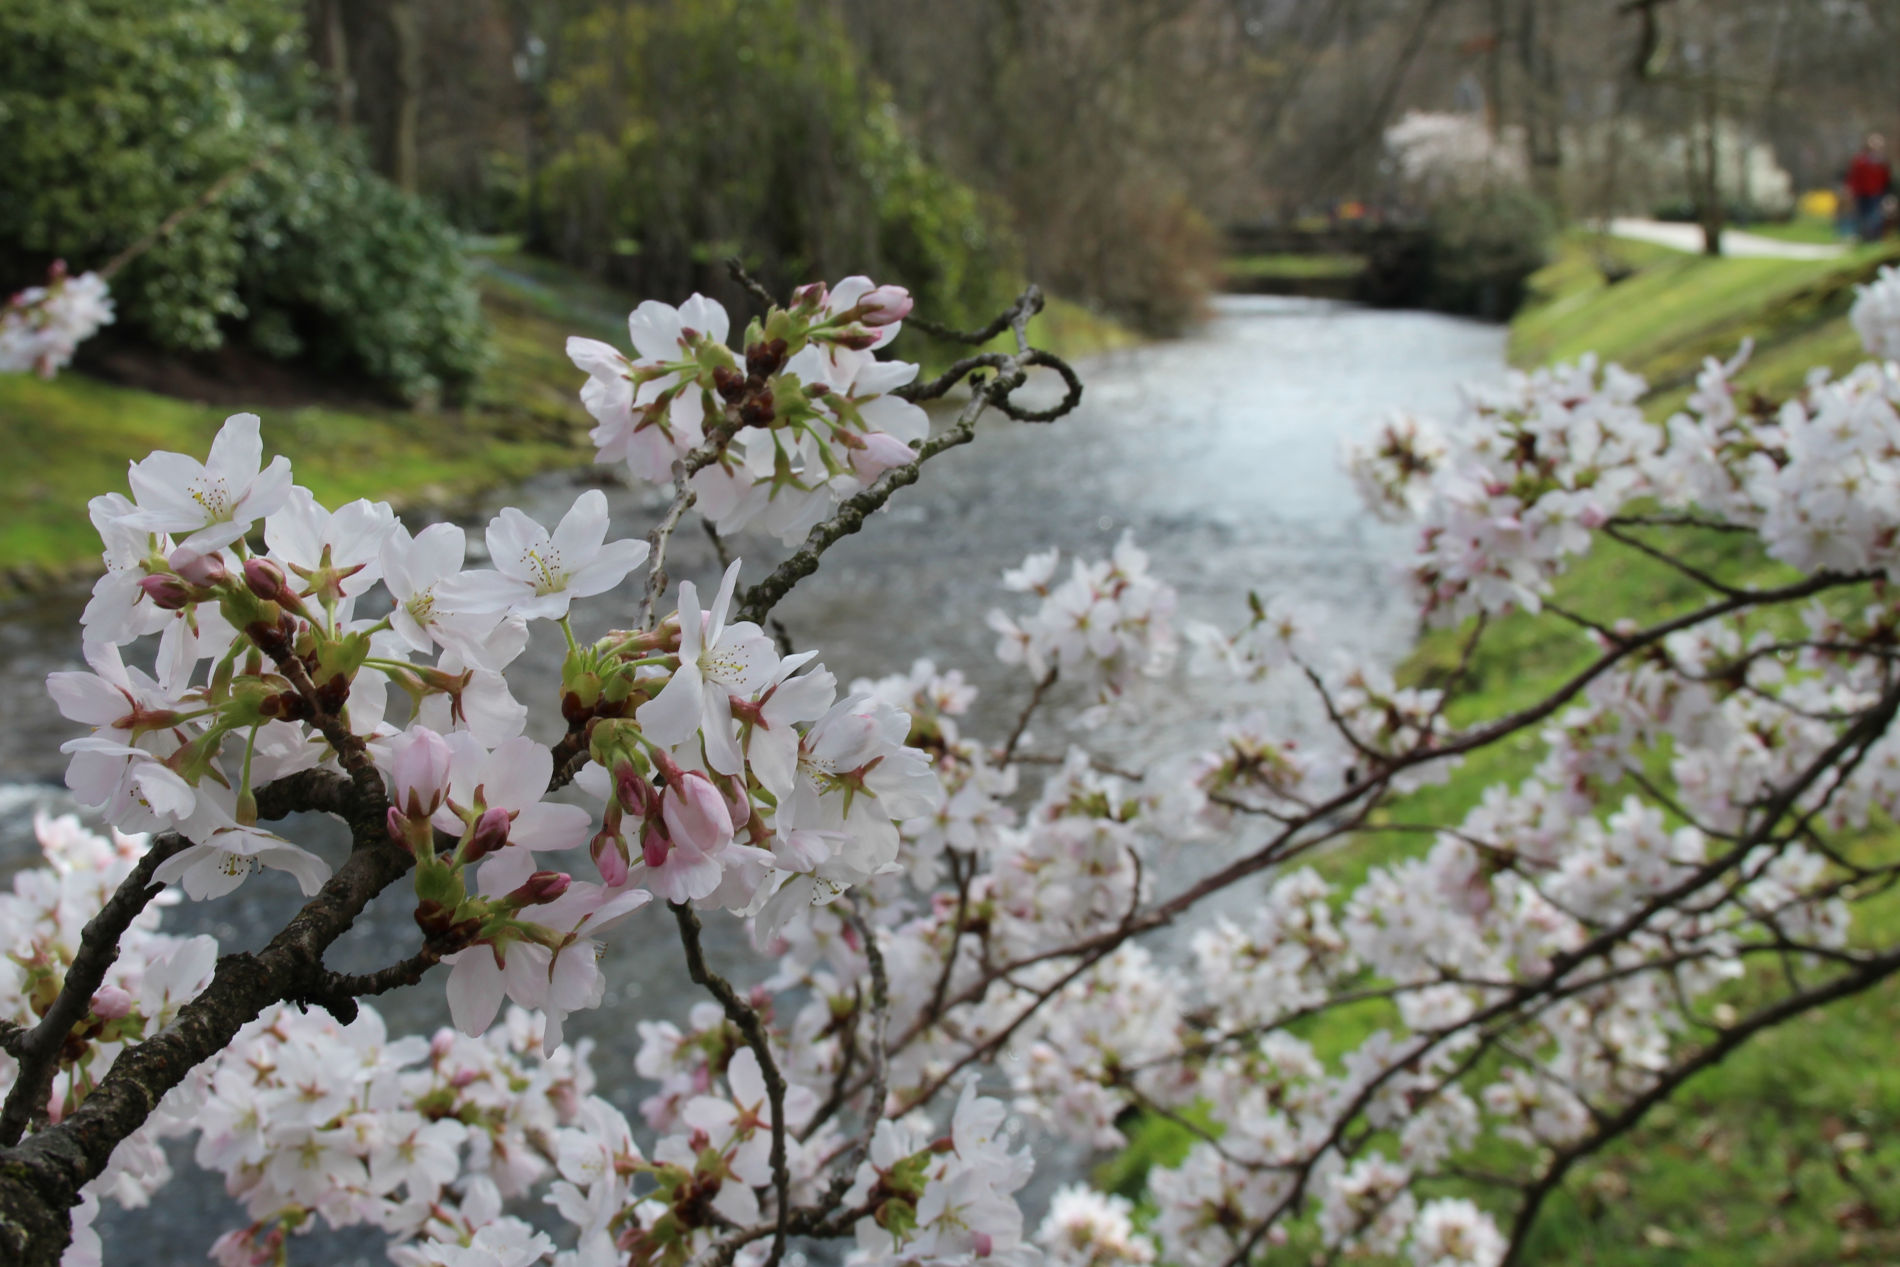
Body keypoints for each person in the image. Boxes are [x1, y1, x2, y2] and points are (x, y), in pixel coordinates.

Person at [1847, 133, 1893, 241]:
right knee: (1862, 215)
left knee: (1874, 216)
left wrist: (1888, 193)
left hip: (1877, 193)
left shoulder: (1883, 161)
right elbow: (1854, 176)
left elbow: (1887, 179)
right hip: (1861, 192)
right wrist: (1852, 189)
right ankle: (1864, 236)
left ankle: (1873, 237)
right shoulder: (1861, 160)